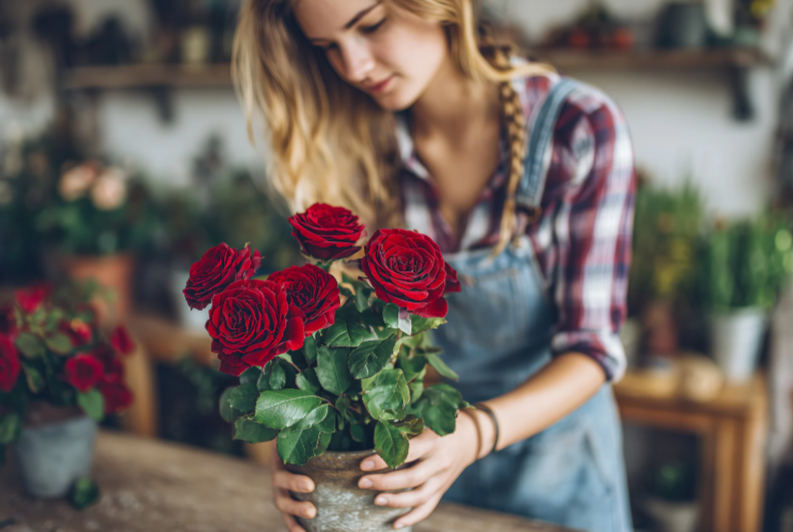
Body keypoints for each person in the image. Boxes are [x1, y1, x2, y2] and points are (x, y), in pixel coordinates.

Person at [232, 1, 636, 531]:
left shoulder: (577, 129)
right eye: (327, 47)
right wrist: (305, 435)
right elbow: (354, 345)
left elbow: (592, 350)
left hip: (561, 478)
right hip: (415, 476)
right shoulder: (356, 147)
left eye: (371, 25)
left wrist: (471, 435)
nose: (354, 66)